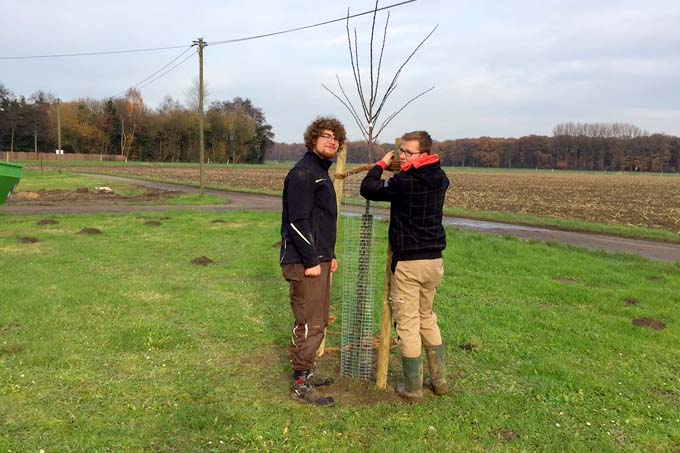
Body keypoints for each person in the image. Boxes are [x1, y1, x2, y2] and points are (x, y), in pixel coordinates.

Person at [360, 130, 449, 402]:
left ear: (424, 153)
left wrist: (381, 165)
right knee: (427, 316)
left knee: (408, 323)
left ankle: (413, 388)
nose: (402, 156)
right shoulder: (441, 178)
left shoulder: (404, 182)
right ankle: (439, 381)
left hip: (409, 262)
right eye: (401, 151)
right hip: (434, 261)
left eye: (408, 152)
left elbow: (369, 188)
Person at [279, 117, 346, 406]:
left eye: (336, 138)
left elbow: (321, 221)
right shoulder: (304, 173)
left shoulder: (319, 172)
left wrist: (328, 255)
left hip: (318, 259)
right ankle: (299, 383)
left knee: (318, 320)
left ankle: (306, 372)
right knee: (307, 322)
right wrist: (311, 259)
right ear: (313, 139)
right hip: (304, 261)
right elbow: (297, 221)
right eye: (326, 136)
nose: (332, 141)